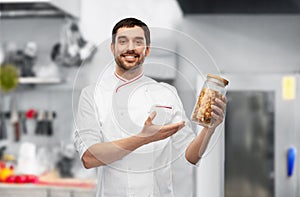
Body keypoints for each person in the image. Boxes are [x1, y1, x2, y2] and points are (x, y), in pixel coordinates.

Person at [74, 17, 227, 197]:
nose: (130, 48)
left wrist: (209, 129)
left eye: (138, 42)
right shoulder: (92, 94)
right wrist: (144, 138)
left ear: (147, 50)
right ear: (113, 48)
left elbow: (191, 156)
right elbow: (89, 157)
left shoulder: (166, 93)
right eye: (123, 42)